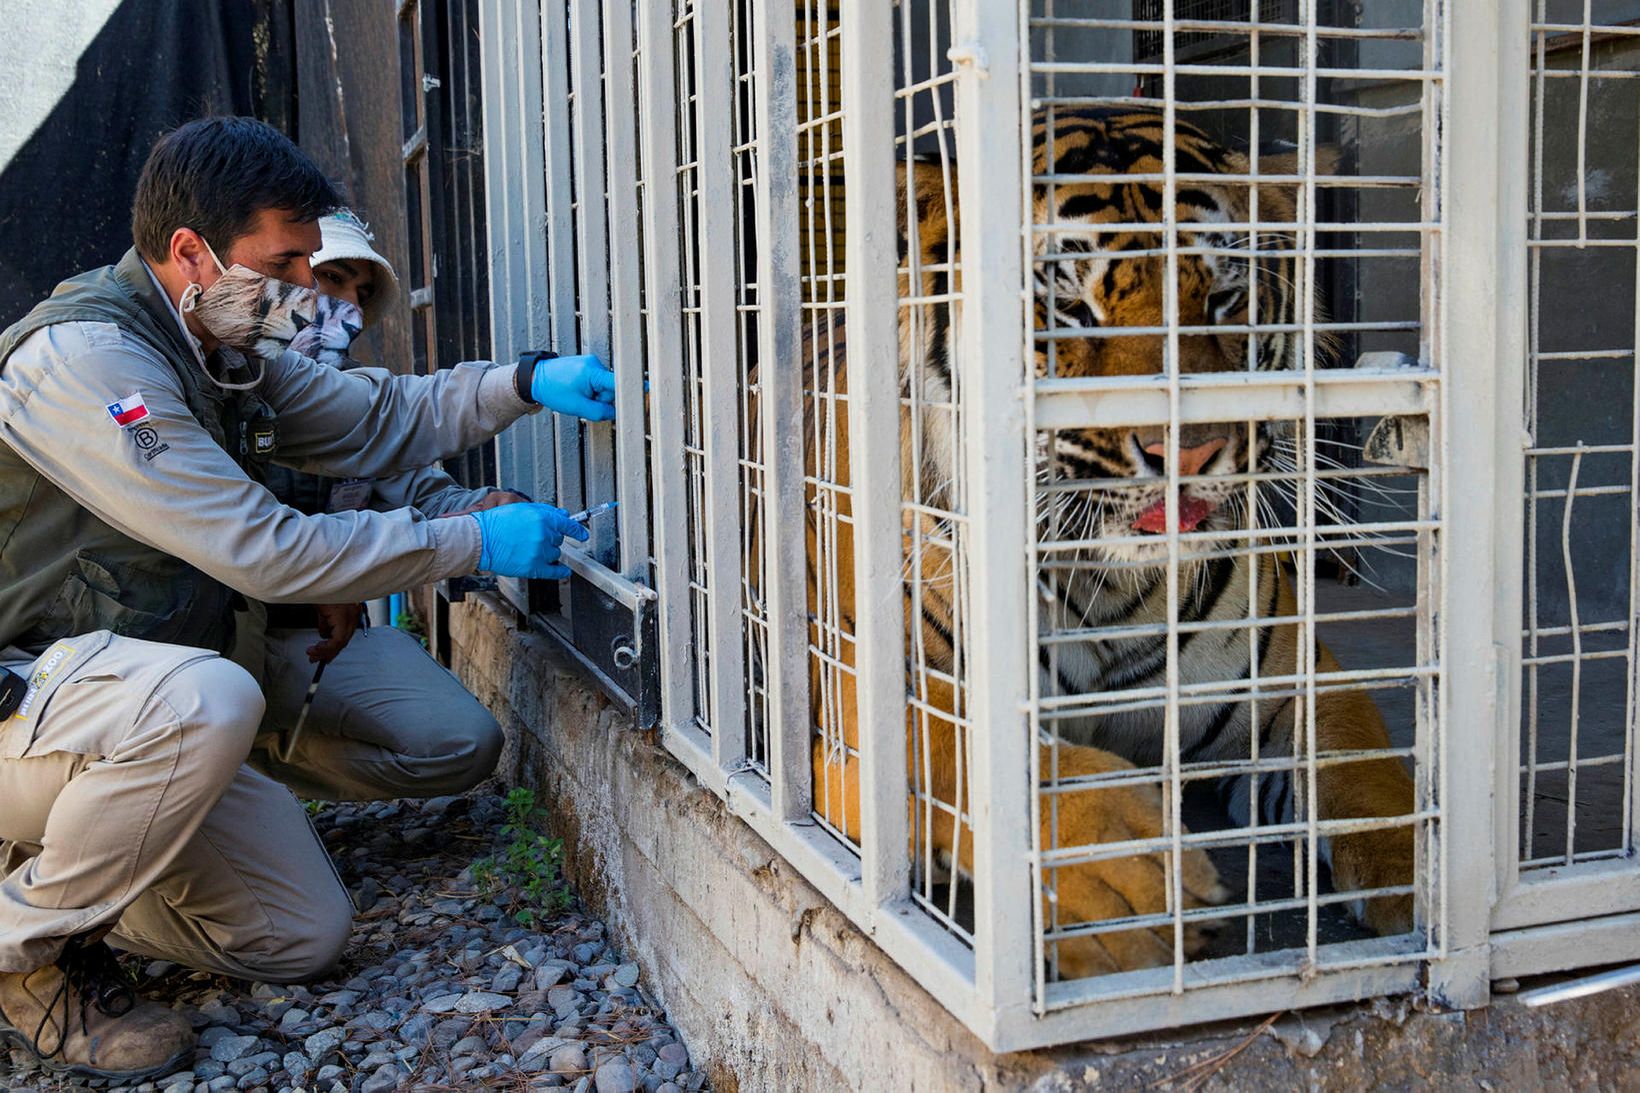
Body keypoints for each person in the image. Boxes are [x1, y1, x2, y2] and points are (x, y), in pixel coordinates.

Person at [0, 116, 617, 1080]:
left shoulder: (217, 346)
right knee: (208, 700)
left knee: (300, 935)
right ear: (191, 251)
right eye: (285, 264)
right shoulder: (90, 365)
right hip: (30, 705)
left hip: (121, 701)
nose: (302, 292)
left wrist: (526, 380)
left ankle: (67, 869)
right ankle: (21, 957)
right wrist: (471, 539)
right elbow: (266, 553)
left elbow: (380, 417)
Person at [232, 208, 528, 802]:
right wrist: (330, 574)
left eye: (361, 293)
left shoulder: (352, 399)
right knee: (200, 709)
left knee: (462, 742)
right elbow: (218, 538)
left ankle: (265, 769)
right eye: (332, 278)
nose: (349, 307)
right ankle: (216, 779)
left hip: (304, 644)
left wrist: (486, 512)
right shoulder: (221, 385)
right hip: (206, 638)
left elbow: (420, 488)